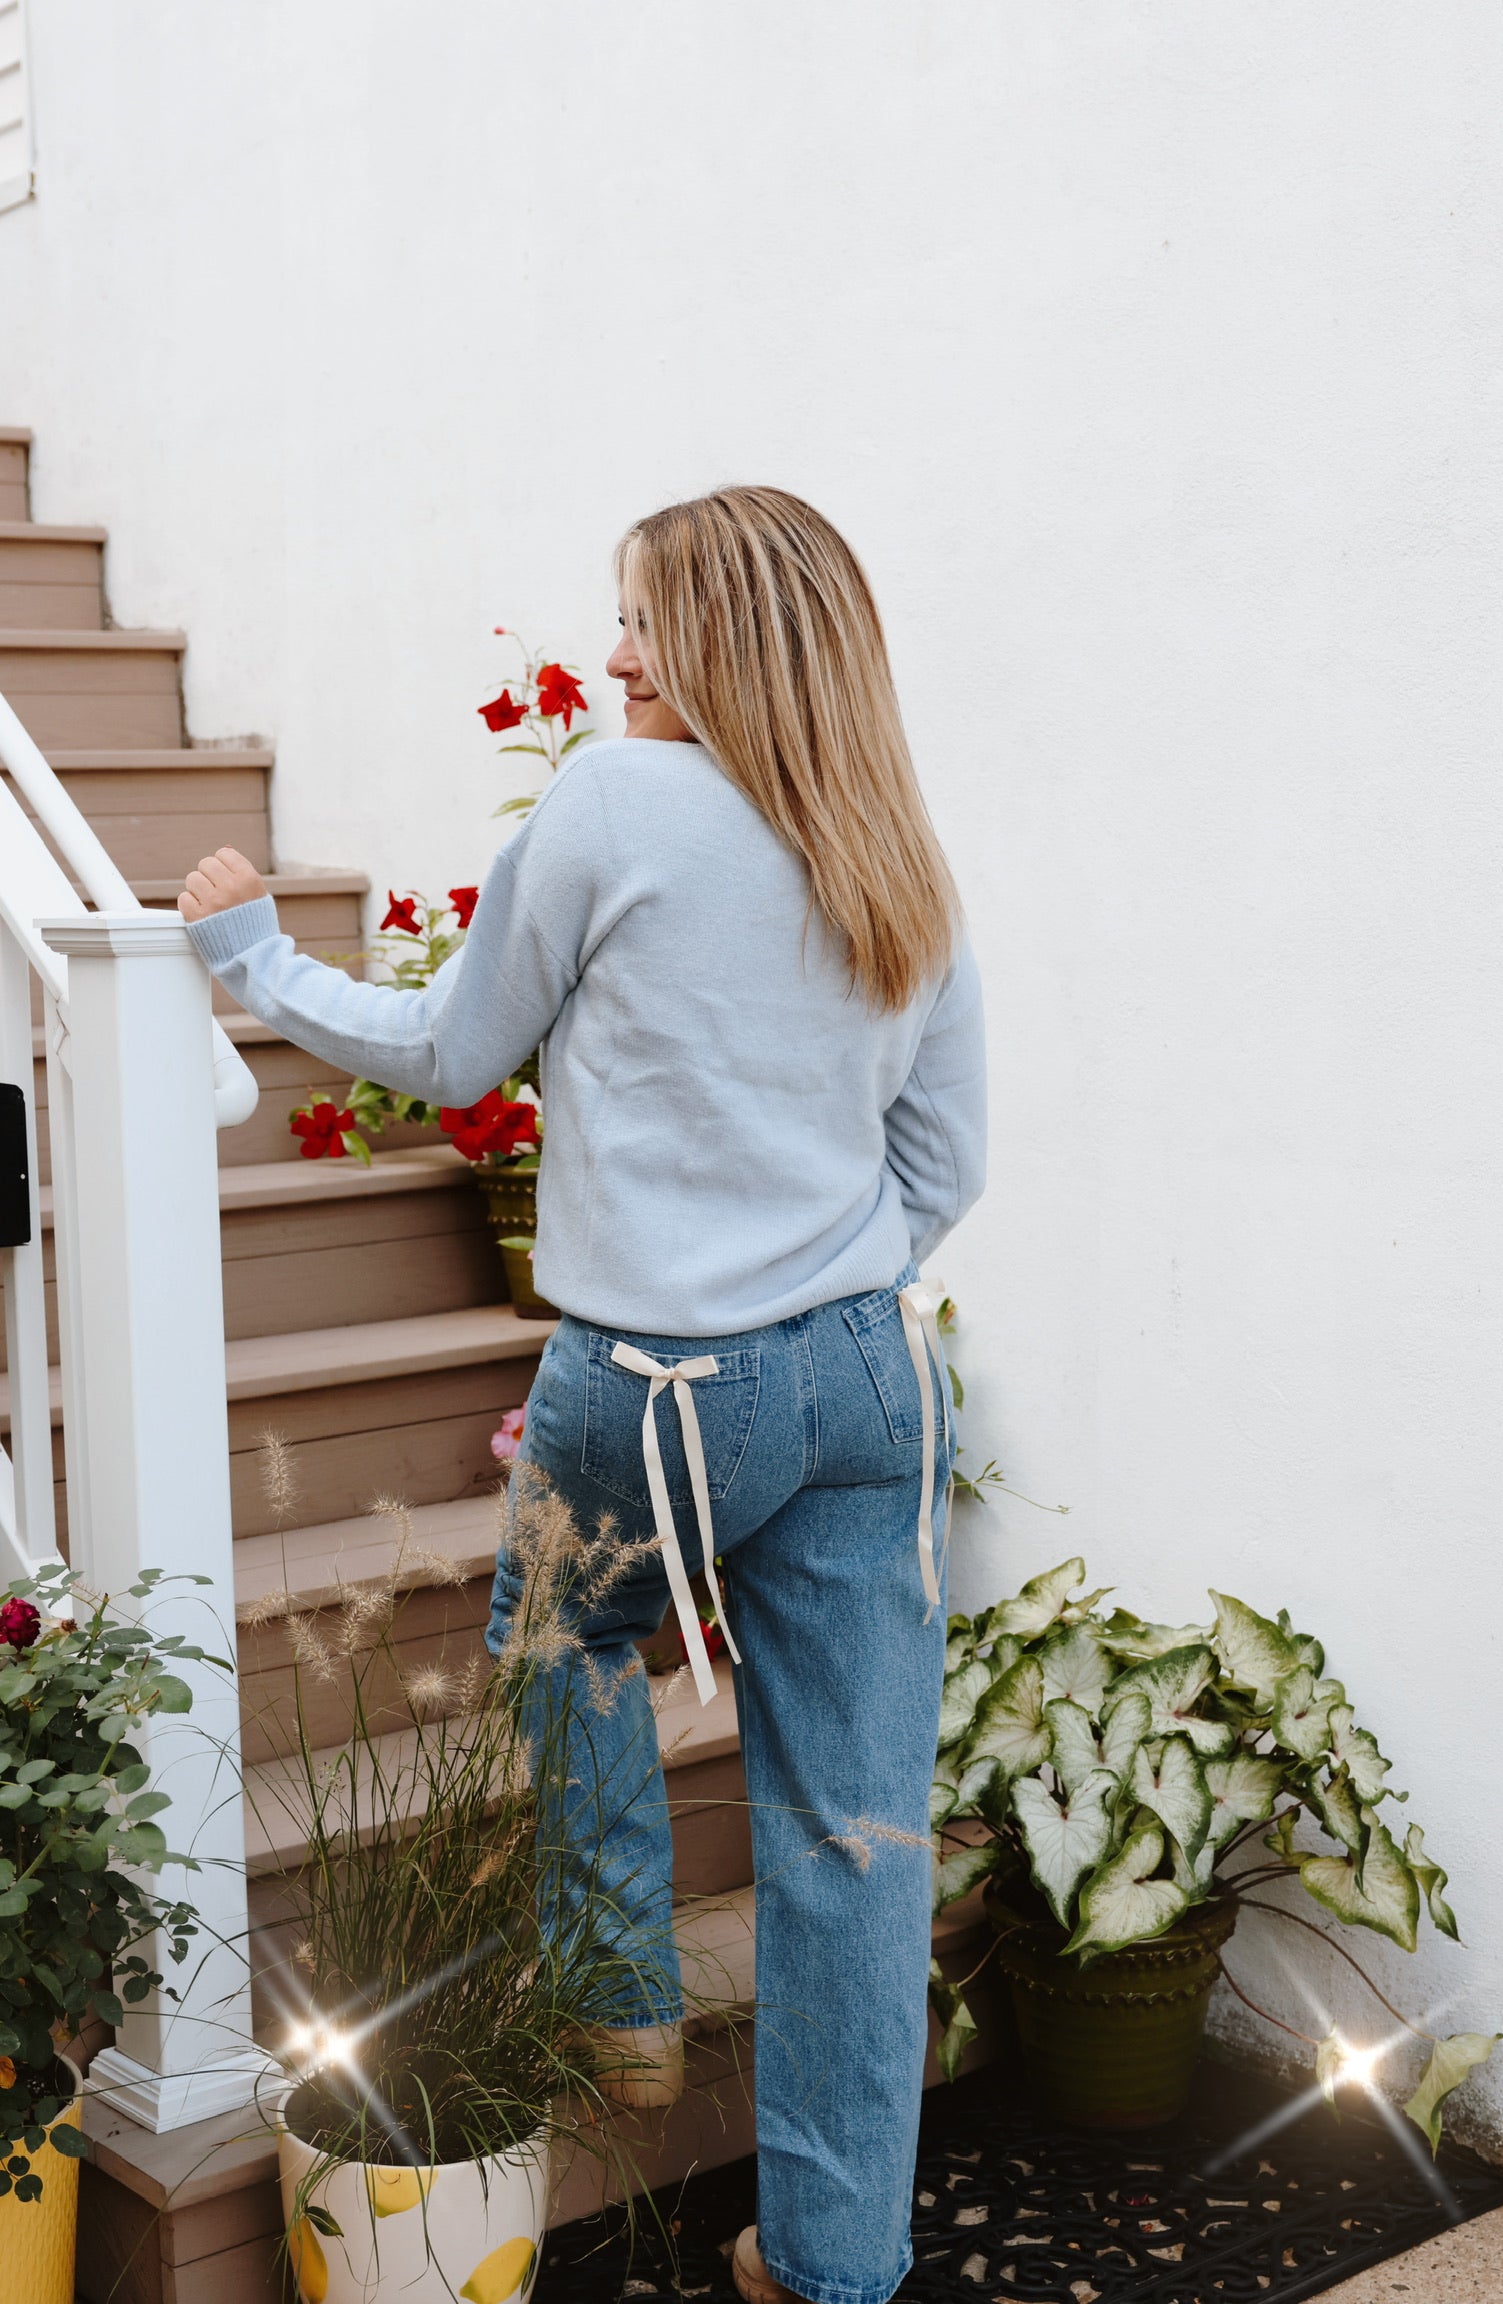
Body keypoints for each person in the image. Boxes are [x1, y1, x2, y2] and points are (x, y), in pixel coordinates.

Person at [179, 486, 986, 2304]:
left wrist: (253, 960)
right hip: (872, 1382)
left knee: (559, 1638)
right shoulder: (895, 844)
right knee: (857, 1833)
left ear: (734, 644)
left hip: (647, 1383)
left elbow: (451, 1047)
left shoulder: (617, 804)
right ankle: (839, 2263)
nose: (615, 656)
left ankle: (620, 1990)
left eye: (644, 624)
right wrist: (814, 1275)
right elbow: (946, 1162)